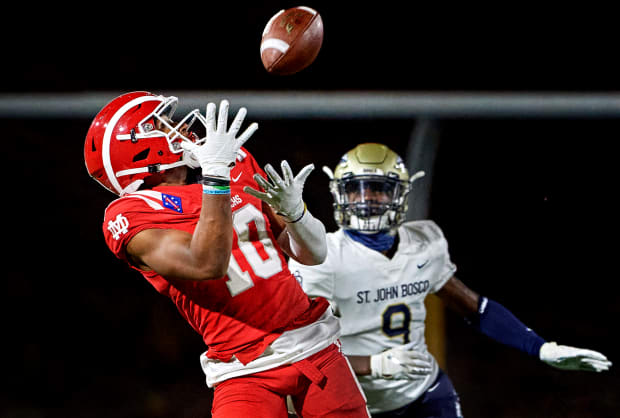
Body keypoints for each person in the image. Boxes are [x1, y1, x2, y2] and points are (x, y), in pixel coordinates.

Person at [84, 91, 370, 418]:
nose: (180, 128)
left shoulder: (235, 162)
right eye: (162, 124)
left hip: (314, 343)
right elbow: (207, 263)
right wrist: (216, 177)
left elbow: (311, 254)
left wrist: (297, 215)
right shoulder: (132, 214)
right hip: (243, 367)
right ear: (136, 149)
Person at [287, 142, 612, 418]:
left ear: (401, 194)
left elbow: (476, 309)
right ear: (339, 194)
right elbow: (297, 351)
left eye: (380, 189)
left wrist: (541, 348)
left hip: (424, 393)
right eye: (356, 189)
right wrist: (373, 364)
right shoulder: (321, 258)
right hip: (351, 402)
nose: (367, 198)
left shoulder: (425, 242)